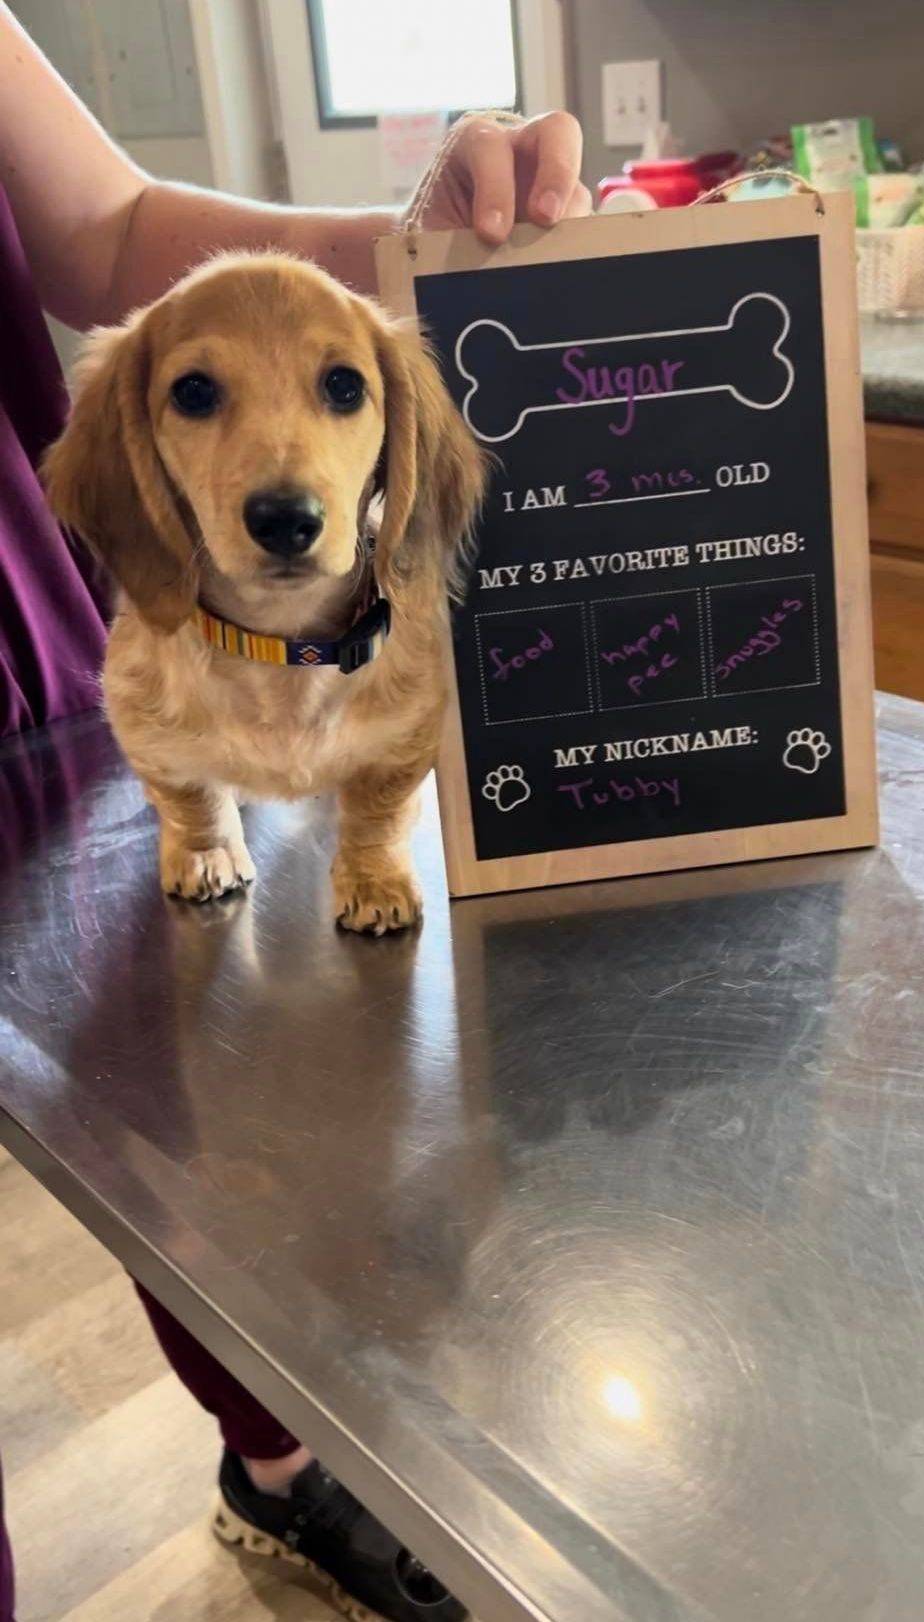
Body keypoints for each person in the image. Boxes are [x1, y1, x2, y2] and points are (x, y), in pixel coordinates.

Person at [0, 4, 590, 1619]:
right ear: (138, 449)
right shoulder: (135, 566)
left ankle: (279, 1454)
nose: (284, 467)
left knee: (182, 1135)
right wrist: (196, 830)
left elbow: (110, 226)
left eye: (337, 392)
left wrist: (411, 249)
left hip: (22, 683)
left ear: (393, 438)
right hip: (107, 676)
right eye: (202, 399)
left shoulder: (396, 585)